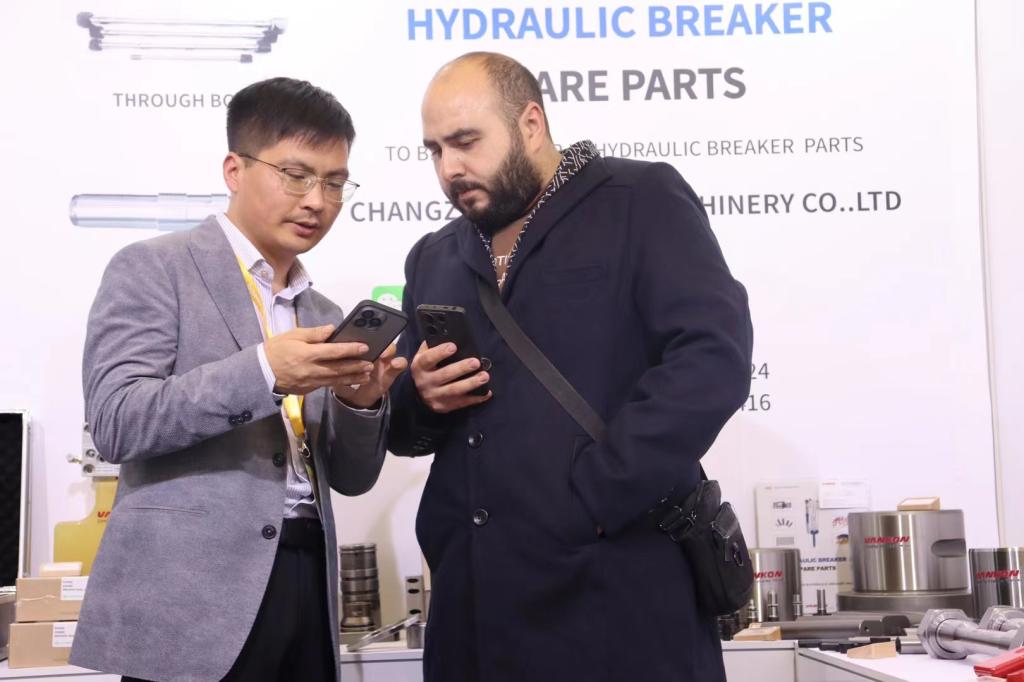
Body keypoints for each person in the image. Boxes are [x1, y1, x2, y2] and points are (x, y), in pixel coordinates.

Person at [388, 52, 753, 681]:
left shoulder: (639, 200)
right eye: (435, 150)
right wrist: (419, 395)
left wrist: (594, 496)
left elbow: (712, 358)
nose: (449, 168)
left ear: (531, 124)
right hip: (474, 612)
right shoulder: (434, 256)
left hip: (617, 594)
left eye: (466, 142)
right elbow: (405, 426)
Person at [71, 77, 407, 682]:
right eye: (296, 175)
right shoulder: (154, 268)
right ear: (234, 169)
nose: (317, 201)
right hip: (190, 597)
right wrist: (264, 371)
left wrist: (360, 404)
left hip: (306, 577)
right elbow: (117, 421)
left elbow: (352, 479)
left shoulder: (324, 312)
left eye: (335, 183)